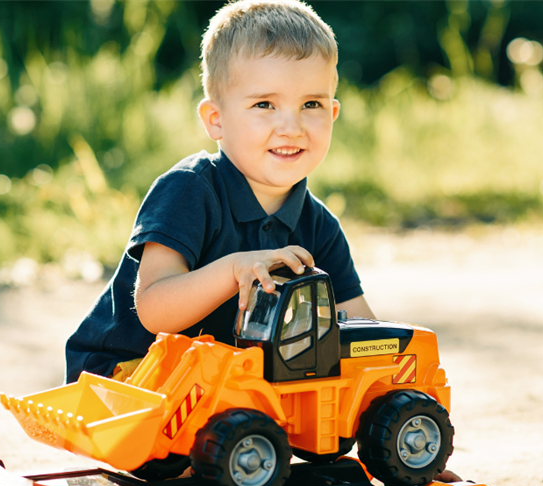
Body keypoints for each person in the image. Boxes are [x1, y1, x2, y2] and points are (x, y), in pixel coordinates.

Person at [65, 0, 375, 384]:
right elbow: (153, 308)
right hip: (129, 373)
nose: (291, 127)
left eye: (311, 104)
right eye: (265, 104)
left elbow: (358, 324)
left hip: (226, 383)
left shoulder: (319, 226)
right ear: (216, 120)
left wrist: (386, 367)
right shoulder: (189, 190)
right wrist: (233, 269)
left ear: (331, 114)